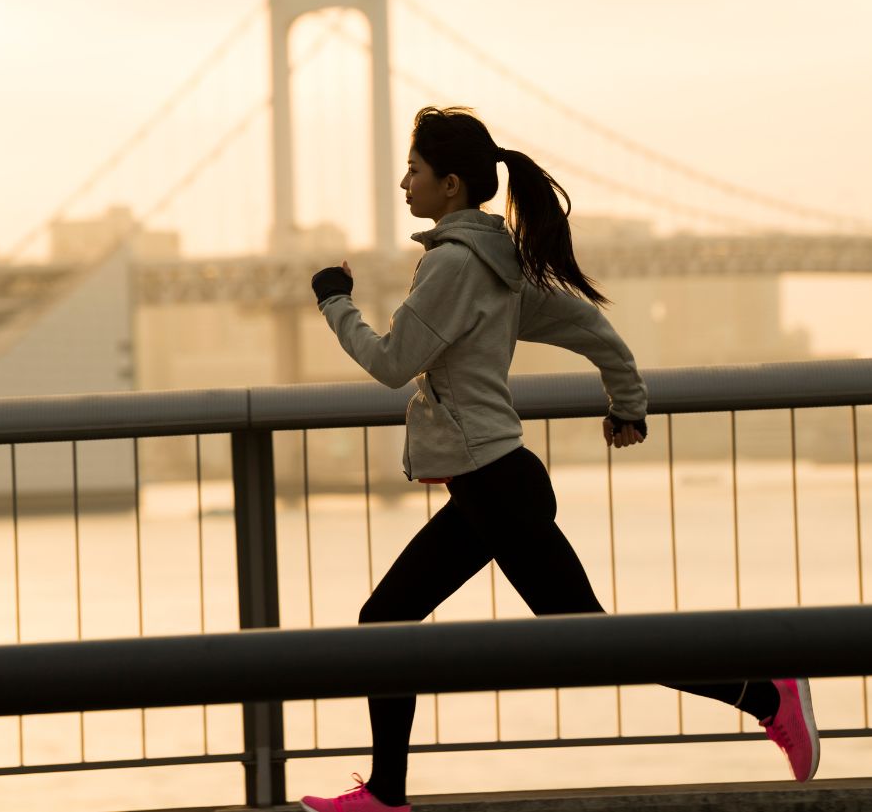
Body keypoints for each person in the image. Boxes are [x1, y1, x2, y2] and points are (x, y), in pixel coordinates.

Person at [302, 106, 818, 812]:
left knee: (568, 639)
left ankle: (766, 691)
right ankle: (386, 793)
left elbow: (392, 362)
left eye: (415, 171)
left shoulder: (451, 266)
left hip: (496, 486)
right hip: (497, 482)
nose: (403, 183)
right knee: (398, 620)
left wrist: (336, 301)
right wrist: (627, 400)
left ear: (450, 184)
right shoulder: (496, 262)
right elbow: (588, 324)